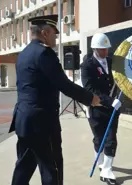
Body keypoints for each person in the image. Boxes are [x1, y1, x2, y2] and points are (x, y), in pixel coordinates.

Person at [9, 15, 102, 185]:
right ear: (45, 33)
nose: (55, 37)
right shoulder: (44, 54)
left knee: (24, 166)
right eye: (54, 34)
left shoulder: (24, 54)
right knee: (52, 168)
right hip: (42, 124)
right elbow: (63, 84)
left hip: (24, 121)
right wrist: (90, 98)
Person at [80, 33, 122, 185]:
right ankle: (101, 162)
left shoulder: (111, 62)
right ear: (95, 49)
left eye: (107, 49)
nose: (106, 52)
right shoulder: (87, 66)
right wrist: (110, 101)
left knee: (111, 139)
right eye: (102, 49)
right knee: (99, 139)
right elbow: (90, 88)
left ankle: (107, 169)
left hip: (112, 108)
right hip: (96, 108)